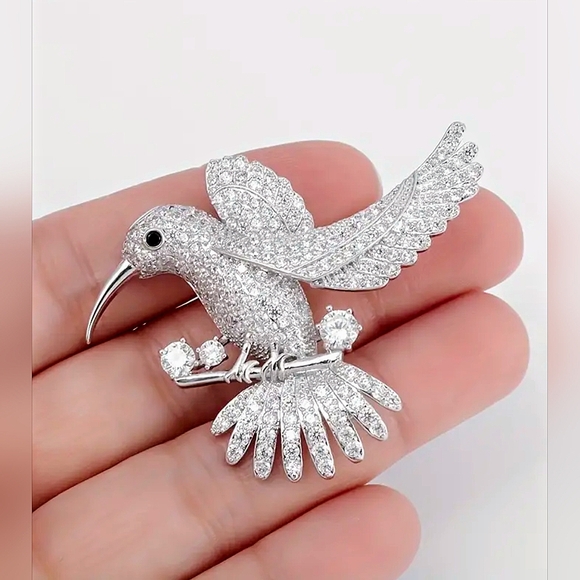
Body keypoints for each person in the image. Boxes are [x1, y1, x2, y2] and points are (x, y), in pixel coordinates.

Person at [32, 141, 528, 579]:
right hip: (261, 364)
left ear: (176, 236)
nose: (140, 263)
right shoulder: (205, 261)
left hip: (295, 358)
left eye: (151, 244)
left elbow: (356, 239)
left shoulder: (242, 246)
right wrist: (242, 367)